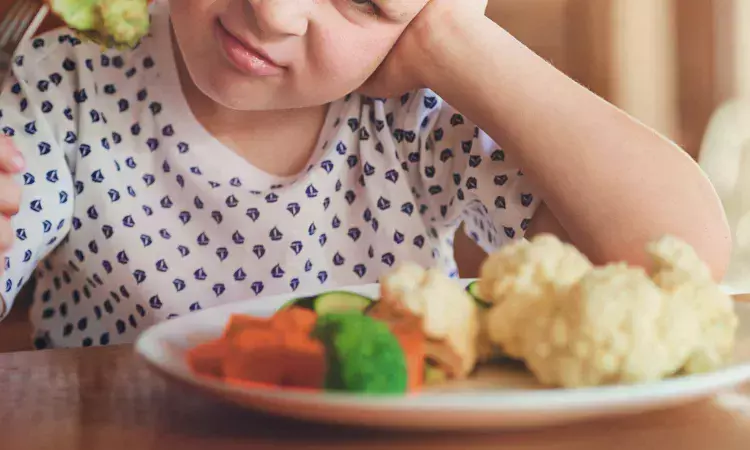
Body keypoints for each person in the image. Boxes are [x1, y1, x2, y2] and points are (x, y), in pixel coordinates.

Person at [0, 0, 730, 349]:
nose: (275, 13)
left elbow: (677, 261)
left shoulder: (420, 113)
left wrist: (457, 45)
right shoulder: (65, 82)